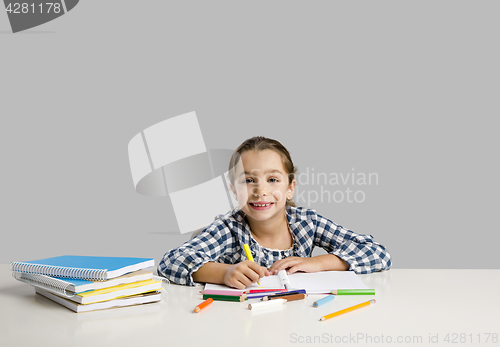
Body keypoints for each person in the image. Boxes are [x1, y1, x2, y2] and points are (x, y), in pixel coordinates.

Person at [157, 136, 391, 289]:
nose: (261, 191)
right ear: (233, 190)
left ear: (290, 188)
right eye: (248, 180)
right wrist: (224, 273)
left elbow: (377, 253)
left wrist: (318, 262)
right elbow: (169, 262)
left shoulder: (307, 222)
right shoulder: (229, 229)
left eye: (272, 179)